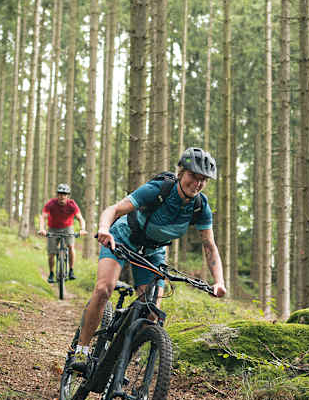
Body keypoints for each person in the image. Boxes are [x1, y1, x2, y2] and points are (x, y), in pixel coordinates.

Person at [73, 147, 226, 363]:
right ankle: (82, 349)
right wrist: (104, 229)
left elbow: (209, 246)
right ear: (181, 172)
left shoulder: (200, 207)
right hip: (122, 237)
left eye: (204, 179)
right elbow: (114, 210)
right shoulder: (158, 190)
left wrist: (218, 281)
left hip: (154, 252)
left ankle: (120, 362)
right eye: (193, 176)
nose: (198, 183)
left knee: (152, 313)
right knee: (103, 289)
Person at [38, 183, 87, 283]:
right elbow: (43, 217)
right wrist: (42, 229)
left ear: (67, 196)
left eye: (64, 194)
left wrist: (82, 229)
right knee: (51, 253)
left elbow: (80, 218)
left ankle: (71, 271)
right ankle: (51, 273)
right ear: (57, 195)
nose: (62, 196)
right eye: (60, 194)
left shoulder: (72, 204)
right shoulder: (51, 203)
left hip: (67, 227)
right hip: (53, 228)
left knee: (71, 247)